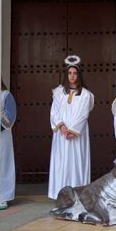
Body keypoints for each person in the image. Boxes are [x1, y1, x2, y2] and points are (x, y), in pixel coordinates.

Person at [48, 55, 94, 199]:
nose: (72, 76)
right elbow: (54, 111)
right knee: (61, 163)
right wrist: (61, 127)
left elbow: (83, 114)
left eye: (75, 73)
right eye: (69, 73)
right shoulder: (58, 93)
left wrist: (72, 131)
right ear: (66, 75)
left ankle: (77, 194)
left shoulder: (86, 95)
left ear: (78, 75)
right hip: (61, 135)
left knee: (76, 163)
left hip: (76, 135)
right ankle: (60, 194)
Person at [0, 79, 17, 210]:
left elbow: (10, 117)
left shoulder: (5, 95)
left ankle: (3, 197)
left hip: (2, 135)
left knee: (3, 164)